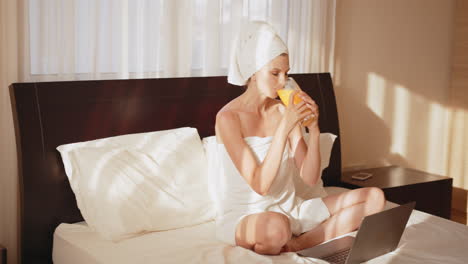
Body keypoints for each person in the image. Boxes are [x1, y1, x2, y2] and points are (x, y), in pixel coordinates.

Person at [214, 21, 385, 255]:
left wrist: (313, 129)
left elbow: (310, 177)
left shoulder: (284, 110)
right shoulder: (228, 118)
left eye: (286, 73)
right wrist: (285, 127)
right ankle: (291, 236)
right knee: (276, 227)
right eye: (274, 73)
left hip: (291, 209)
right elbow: (260, 185)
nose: (283, 81)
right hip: (247, 216)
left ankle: (299, 244)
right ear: (253, 72)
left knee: (375, 198)